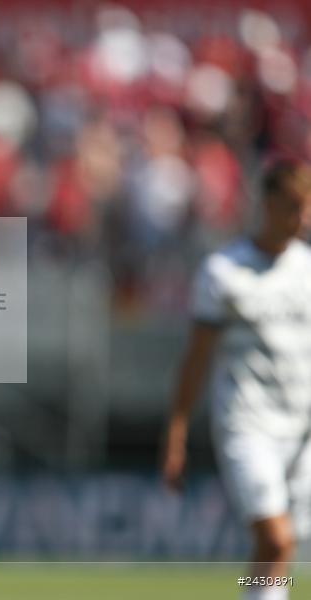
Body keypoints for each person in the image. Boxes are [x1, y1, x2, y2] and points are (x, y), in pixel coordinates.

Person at [162, 159, 311, 599]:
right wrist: (176, 431)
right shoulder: (224, 272)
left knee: (281, 549)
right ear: (265, 205)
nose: (302, 218)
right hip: (248, 425)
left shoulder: (307, 267)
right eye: (293, 207)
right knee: (276, 538)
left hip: (302, 428)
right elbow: (196, 357)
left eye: (307, 208)